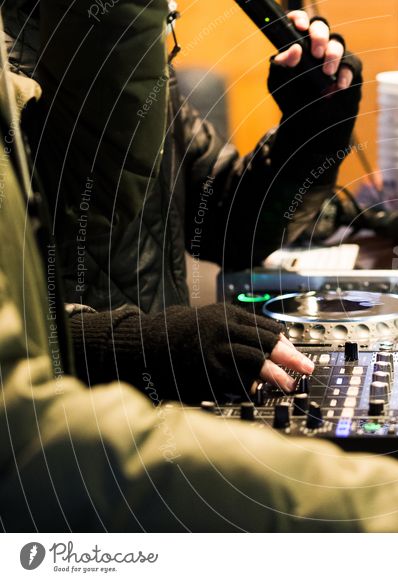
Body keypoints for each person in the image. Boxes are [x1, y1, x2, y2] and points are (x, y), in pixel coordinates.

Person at [0, 11, 398, 532]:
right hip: (82, 474)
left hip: (159, 436)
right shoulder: (41, 61)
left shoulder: (130, 56)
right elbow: (16, 408)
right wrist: (128, 344)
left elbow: (233, 226)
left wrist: (310, 132)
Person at [3, 0, 364, 400]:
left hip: (161, 413)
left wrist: (309, 133)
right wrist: (142, 346)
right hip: (61, 437)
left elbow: (228, 227)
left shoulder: (136, 65)